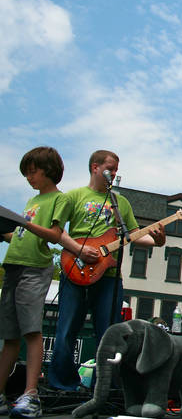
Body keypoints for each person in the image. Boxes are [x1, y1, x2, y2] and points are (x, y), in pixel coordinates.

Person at [47, 150, 166, 392]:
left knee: (111, 334)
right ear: (95, 167)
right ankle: (63, 385)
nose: (114, 173)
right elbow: (57, 231)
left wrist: (158, 241)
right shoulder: (73, 196)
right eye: (110, 168)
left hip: (109, 277)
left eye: (116, 169)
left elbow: (130, 235)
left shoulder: (119, 202)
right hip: (75, 270)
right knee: (66, 329)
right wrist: (78, 250)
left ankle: (108, 388)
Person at [0, 147, 69, 418]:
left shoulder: (59, 200)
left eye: (33, 172)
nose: (29, 178)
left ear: (49, 170)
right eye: (26, 173)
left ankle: (31, 395)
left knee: (31, 330)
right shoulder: (31, 201)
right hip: (14, 265)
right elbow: (19, 234)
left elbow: (53, 235)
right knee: (9, 336)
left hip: (34, 269)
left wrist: (25, 225)